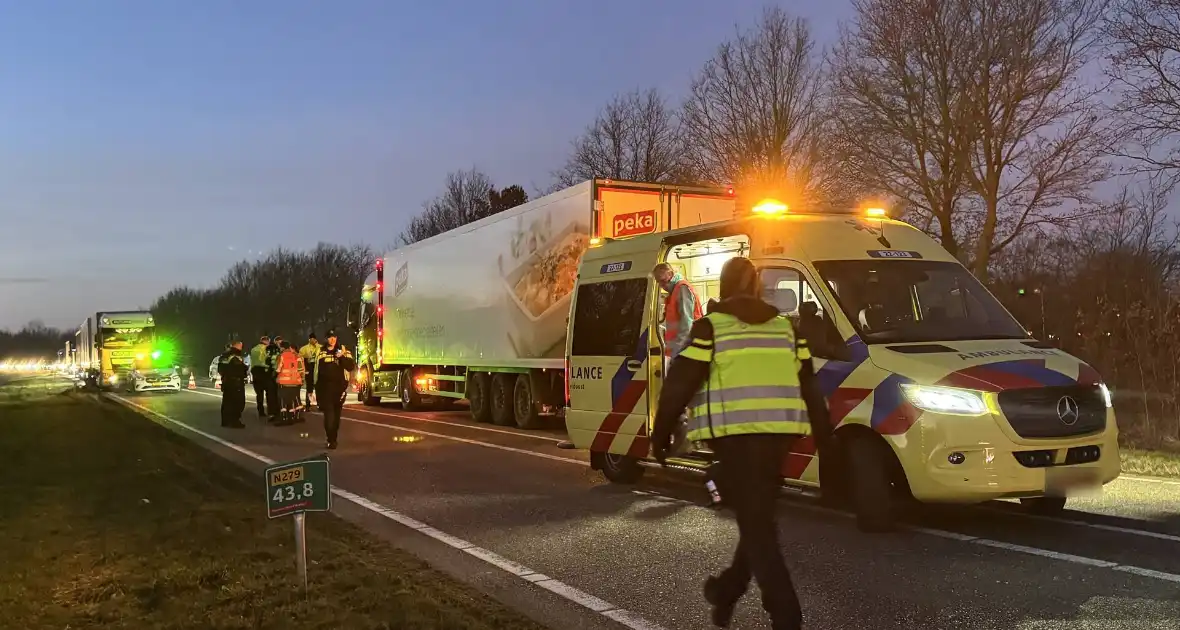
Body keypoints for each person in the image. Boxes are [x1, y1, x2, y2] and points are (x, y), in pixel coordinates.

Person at [650, 257, 831, 630]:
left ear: (723, 288)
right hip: (778, 440)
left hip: (734, 443)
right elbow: (811, 387)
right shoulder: (787, 329)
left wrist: (661, 432)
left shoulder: (710, 329)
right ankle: (727, 590)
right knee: (758, 519)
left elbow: (679, 383)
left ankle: (787, 617)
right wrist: (827, 443)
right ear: (755, 288)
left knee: (759, 529)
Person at [652, 262, 705, 457]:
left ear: (671, 274)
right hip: (683, 353)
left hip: (685, 353)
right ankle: (688, 442)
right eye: (659, 283)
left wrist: (679, 356)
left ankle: (687, 443)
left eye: (664, 281)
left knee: (680, 399)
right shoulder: (674, 292)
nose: (662, 286)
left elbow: (686, 326)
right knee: (685, 400)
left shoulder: (681, 290)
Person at [312, 329, 355, 450]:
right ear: (326, 339)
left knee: (336, 417)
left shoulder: (343, 351)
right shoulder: (321, 352)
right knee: (328, 416)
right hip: (325, 389)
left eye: (334, 337)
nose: (332, 339)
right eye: (330, 337)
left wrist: (341, 357)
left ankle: (334, 438)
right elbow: (316, 371)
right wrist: (314, 389)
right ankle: (330, 439)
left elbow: (350, 366)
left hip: (339, 389)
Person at [217, 340, 248, 428]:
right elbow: (239, 368)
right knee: (238, 402)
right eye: (241, 346)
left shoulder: (224, 355)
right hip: (236, 382)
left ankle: (225, 421)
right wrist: (245, 369)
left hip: (226, 381)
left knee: (227, 401)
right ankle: (235, 421)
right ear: (238, 346)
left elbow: (221, 368)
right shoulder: (236, 355)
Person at [275, 340, 306, 425]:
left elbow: (277, 369)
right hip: (295, 383)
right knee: (294, 400)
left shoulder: (281, 356)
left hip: (284, 382)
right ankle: (296, 416)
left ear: (282, 347)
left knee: (283, 401)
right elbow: (301, 370)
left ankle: (284, 418)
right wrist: (301, 380)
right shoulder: (297, 356)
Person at [248, 335, 273, 419]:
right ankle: (270, 411)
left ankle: (260, 411)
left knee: (259, 394)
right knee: (269, 393)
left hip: (255, 372)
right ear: (266, 341)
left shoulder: (253, 349)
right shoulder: (267, 349)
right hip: (264, 372)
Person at [265, 335, 284, 424]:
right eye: (278, 342)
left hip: (279, 375)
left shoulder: (283, 349)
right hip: (271, 375)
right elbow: (268, 361)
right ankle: (272, 413)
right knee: (272, 395)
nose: (279, 343)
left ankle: (279, 412)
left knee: (279, 395)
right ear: (275, 342)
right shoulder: (271, 349)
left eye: (281, 342)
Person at [298, 332, 320, 408]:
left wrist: (316, 345)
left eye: (314, 339)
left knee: (318, 386)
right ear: (309, 339)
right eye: (311, 339)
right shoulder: (304, 348)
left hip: (317, 368)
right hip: (309, 368)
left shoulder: (320, 347)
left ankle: (319, 404)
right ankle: (308, 404)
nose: (312, 340)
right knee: (309, 387)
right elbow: (300, 359)